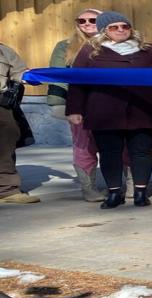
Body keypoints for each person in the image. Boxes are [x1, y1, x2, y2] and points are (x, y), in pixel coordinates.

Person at [67, 12, 152, 208]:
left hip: (142, 108)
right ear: (104, 31)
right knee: (109, 153)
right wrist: (75, 109)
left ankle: (140, 192)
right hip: (103, 110)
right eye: (114, 27)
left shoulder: (148, 49)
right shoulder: (90, 50)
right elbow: (77, 82)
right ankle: (114, 193)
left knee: (141, 152)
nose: (120, 30)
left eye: (124, 26)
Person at [49, 9, 108, 201]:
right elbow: (57, 74)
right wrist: (58, 103)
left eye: (93, 20)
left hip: (112, 102)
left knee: (121, 144)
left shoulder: (116, 42)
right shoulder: (65, 46)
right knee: (84, 146)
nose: (87, 23)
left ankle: (125, 184)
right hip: (79, 104)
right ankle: (89, 188)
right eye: (81, 21)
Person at [1, 41, 41, 205]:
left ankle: (6, 190)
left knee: (5, 143)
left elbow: (20, 72)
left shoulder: (3, 50)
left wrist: (34, 77)